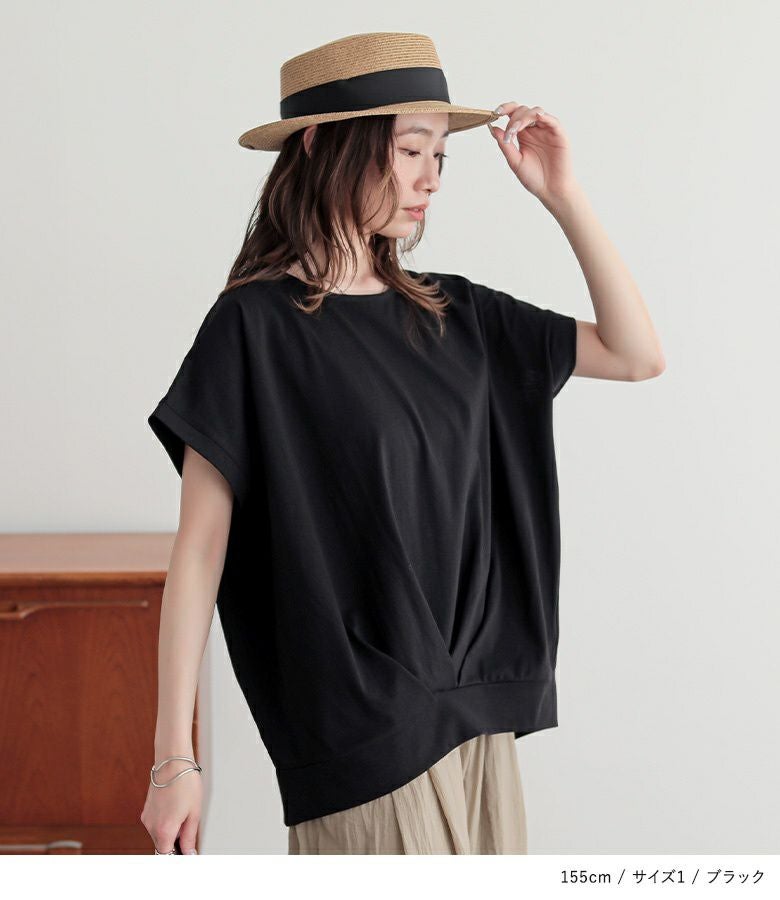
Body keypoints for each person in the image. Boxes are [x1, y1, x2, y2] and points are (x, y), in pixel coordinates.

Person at [141, 31, 665, 855]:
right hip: (363, 736)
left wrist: (563, 197)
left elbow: (637, 355)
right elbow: (200, 550)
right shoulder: (254, 329)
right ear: (322, 145)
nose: (430, 178)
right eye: (410, 149)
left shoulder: (458, 316)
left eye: (440, 156)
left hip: (479, 719)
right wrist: (175, 757)